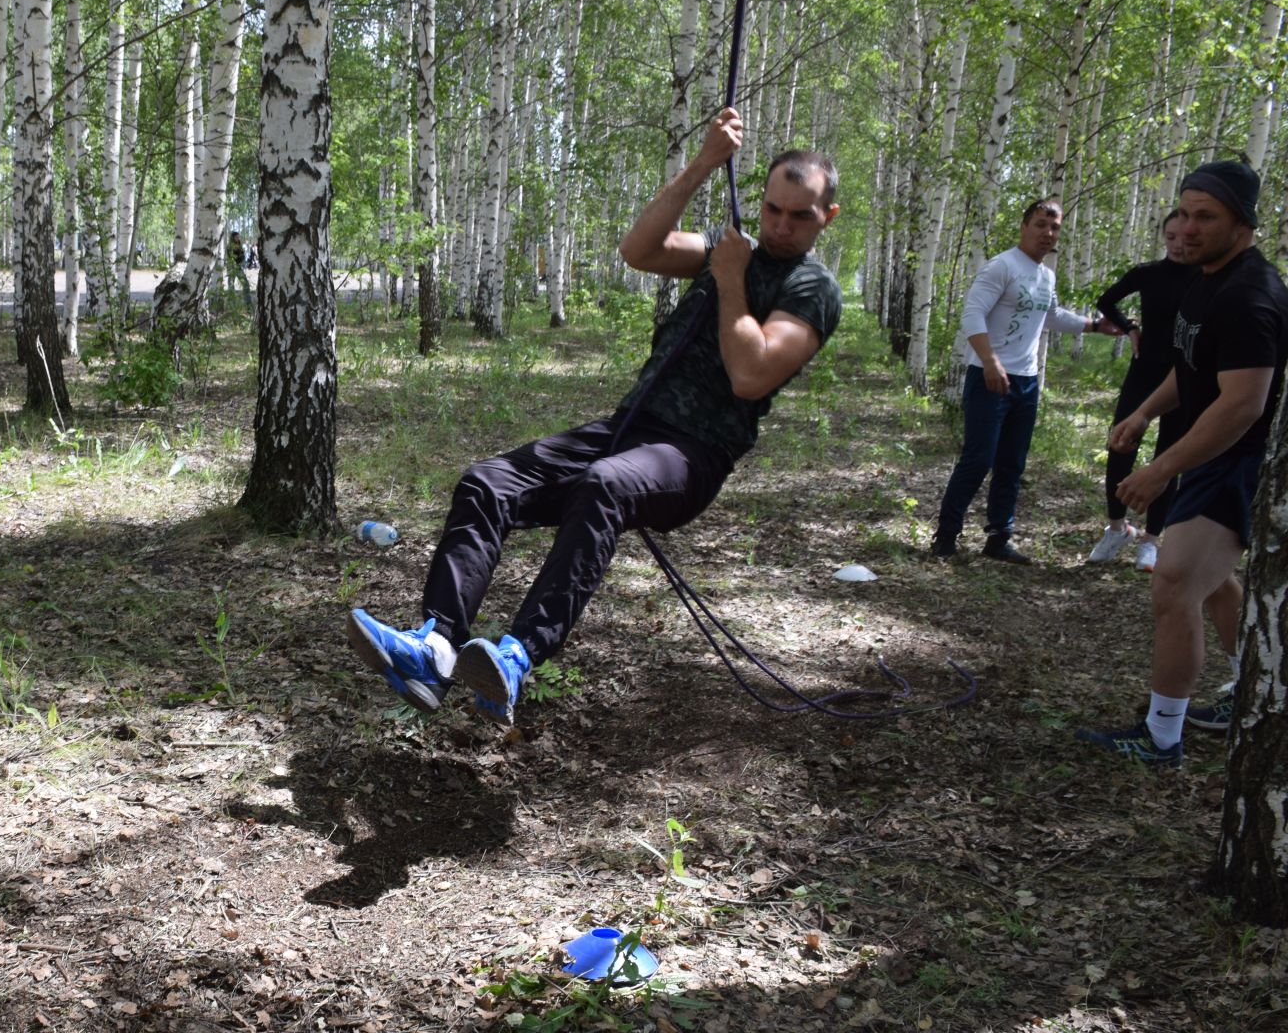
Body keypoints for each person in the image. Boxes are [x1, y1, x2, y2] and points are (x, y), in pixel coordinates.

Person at [345, 108, 841, 727]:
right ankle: (437, 646)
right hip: (628, 427)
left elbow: (751, 373)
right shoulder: (729, 250)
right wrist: (703, 164)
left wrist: (733, 281)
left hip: (694, 453)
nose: (780, 225)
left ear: (828, 218)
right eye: (772, 209)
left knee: (604, 485)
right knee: (487, 483)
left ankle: (516, 659)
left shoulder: (811, 288)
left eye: (800, 216)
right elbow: (639, 249)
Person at [1077, 160, 1285, 765]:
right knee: (1213, 582)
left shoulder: (1251, 297)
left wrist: (1160, 468)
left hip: (1239, 464)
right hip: (1213, 456)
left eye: (1207, 217)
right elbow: (1192, 365)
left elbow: (1243, 406)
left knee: (1173, 585)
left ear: (1242, 223)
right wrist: (1143, 414)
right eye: (1185, 213)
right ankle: (1258, 688)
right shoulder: (1207, 277)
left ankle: (1161, 737)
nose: (1189, 229)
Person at [931, 199, 1119, 564]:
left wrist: (1095, 326)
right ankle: (946, 536)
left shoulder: (1045, 276)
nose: (1047, 234)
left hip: (1026, 381)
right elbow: (973, 315)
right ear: (1024, 226)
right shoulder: (1002, 266)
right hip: (988, 377)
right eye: (1040, 225)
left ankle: (999, 537)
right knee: (978, 458)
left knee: (1012, 462)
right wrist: (989, 362)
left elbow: (1049, 316)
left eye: (1055, 228)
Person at [1087, 211, 1196, 570]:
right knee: (1120, 446)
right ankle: (1116, 527)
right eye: (1171, 237)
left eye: (1185, 237)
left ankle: (1151, 540)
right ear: (1163, 238)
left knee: (1169, 455)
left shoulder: (1206, 278)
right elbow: (1106, 300)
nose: (1179, 244)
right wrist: (1130, 328)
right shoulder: (1148, 273)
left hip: (1183, 377)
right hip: (1144, 369)